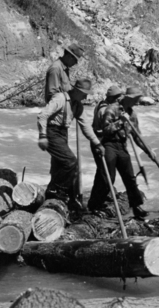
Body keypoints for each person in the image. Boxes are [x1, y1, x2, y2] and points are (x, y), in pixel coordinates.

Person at [37, 70, 103, 212]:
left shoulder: (78, 106)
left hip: (62, 133)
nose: (86, 96)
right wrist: (42, 136)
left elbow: (85, 126)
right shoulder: (60, 98)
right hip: (51, 131)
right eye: (84, 93)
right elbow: (42, 115)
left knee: (60, 165)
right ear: (77, 90)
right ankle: (56, 190)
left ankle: (70, 199)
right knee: (70, 161)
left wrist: (97, 143)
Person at [88, 85, 150, 220]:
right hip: (108, 144)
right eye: (136, 99)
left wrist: (148, 150)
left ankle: (136, 206)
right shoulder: (111, 109)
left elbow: (137, 136)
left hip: (122, 146)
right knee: (107, 177)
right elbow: (105, 130)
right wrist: (120, 122)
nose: (138, 103)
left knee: (130, 177)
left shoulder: (132, 114)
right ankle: (94, 205)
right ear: (129, 98)